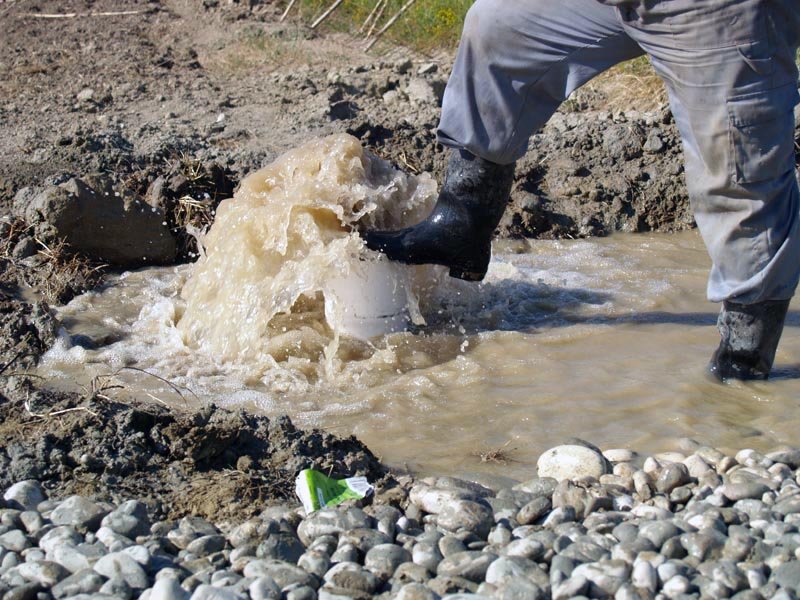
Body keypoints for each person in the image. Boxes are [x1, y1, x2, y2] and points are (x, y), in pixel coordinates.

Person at [363, 0, 800, 382]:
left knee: (739, 178)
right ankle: (462, 223)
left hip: (717, 10)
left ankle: (743, 361)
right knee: (497, 26)